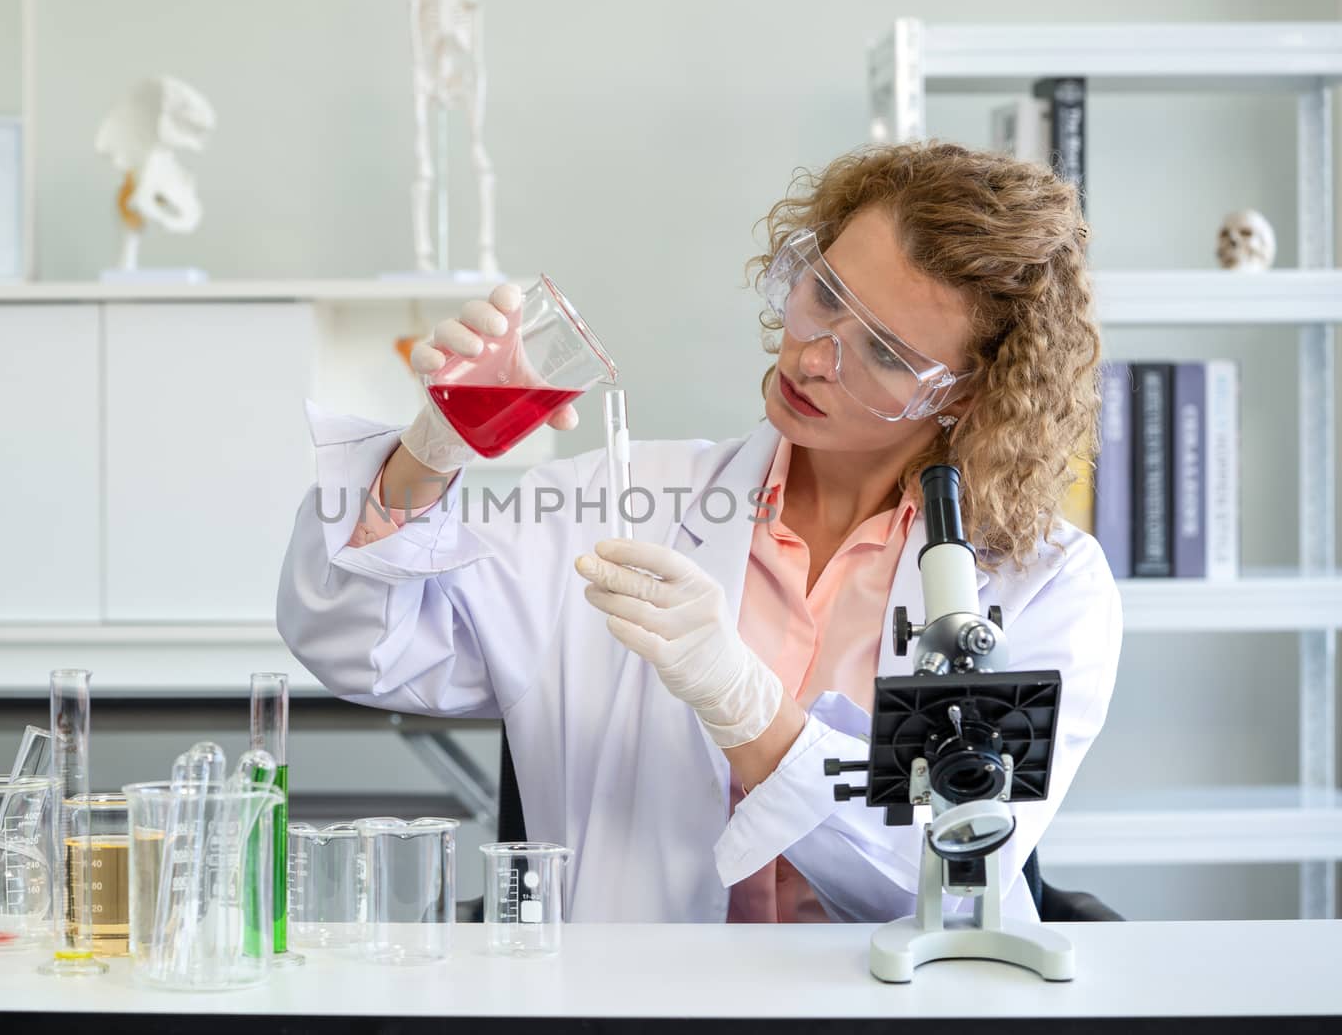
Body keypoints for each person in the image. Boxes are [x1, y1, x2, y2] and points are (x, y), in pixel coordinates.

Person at [277, 141, 1120, 923]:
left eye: (887, 353)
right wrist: (424, 457)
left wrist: (745, 705)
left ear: (965, 396)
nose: (814, 355)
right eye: (823, 293)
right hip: (632, 1005)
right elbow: (357, 646)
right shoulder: (617, 497)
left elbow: (936, 874)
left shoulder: (1033, 585)